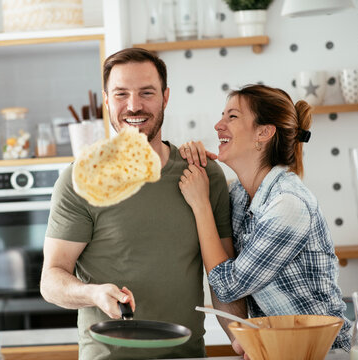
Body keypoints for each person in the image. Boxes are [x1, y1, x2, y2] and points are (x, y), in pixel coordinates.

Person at [40, 47, 247, 360]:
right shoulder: (78, 180)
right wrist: (93, 293)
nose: (133, 105)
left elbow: (222, 279)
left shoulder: (202, 173)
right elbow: (51, 279)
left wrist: (241, 343)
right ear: (107, 101)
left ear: (165, 98)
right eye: (121, 94)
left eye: (146, 93)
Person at [178, 84, 352, 352]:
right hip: (279, 350)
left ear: (263, 132)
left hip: (323, 353)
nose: (218, 125)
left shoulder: (287, 205)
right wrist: (193, 157)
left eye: (232, 117)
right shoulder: (239, 194)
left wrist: (202, 205)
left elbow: (227, 286)